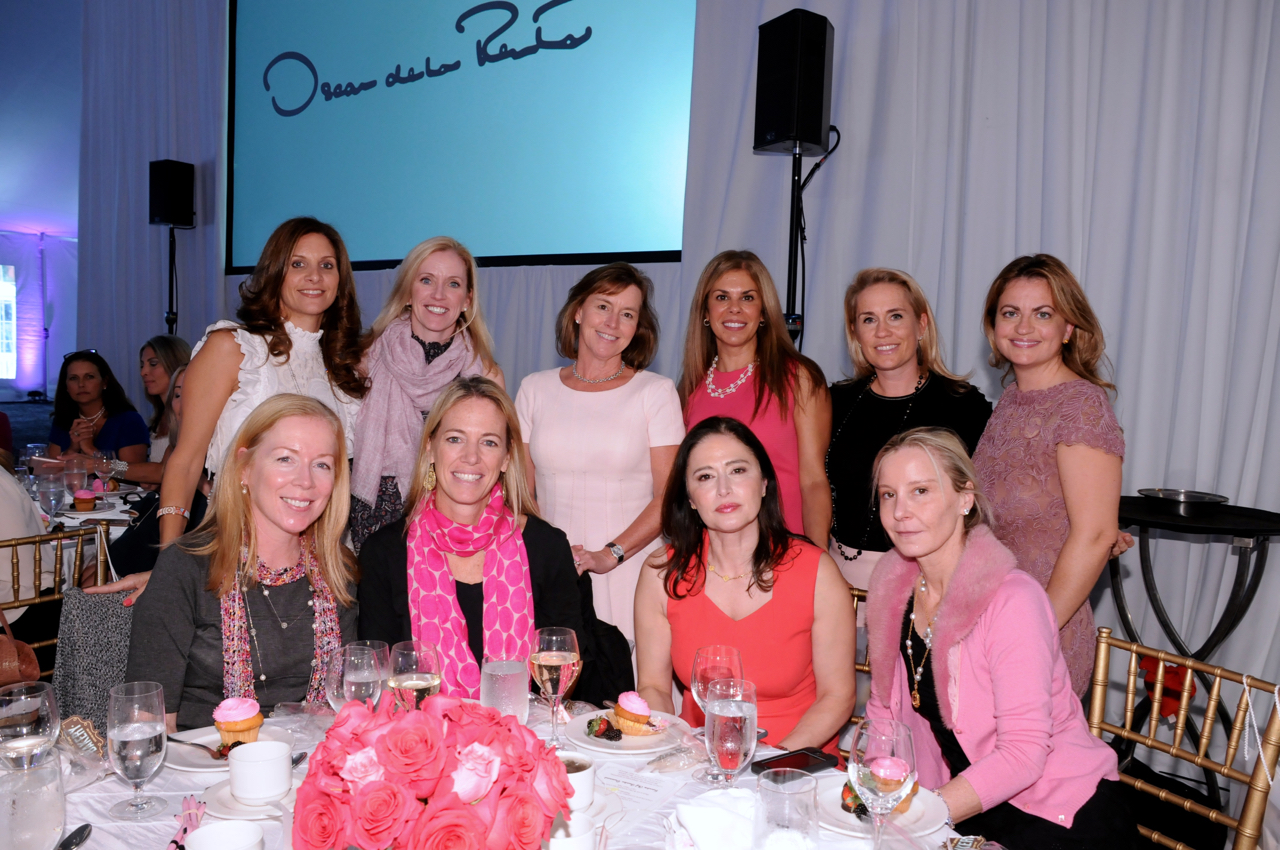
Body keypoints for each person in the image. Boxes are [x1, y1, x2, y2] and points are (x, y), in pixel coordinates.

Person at [865, 427, 1136, 849]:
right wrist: (874, 802)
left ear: (965, 499)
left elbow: (1024, 754)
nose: (900, 511)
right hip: (964, 807)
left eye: (921, 491)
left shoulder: (1012, 599)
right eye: (888, 495)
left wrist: (923, 812)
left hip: (1059, 813)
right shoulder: (893, 588)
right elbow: (884, 716)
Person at [101, 219, 368, 605]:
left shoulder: (347, 366)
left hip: (325, 560)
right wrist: (170, 566)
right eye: (298, 264)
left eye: (327, 265)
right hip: (237, 552)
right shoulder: (232, 348)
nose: (315, 276)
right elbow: (185, 461)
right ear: (275, 271)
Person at [126, 394, 358, 730]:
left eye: (322, 464)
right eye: (285, 459)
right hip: (204, 756)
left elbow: (348, 707)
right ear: (245, 468)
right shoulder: (186, 567)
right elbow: (148, 721)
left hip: (313, 752)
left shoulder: (339, 571)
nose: (306, 481)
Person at [634, 416, 856, 751]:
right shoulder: (662, 573)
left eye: (737, 470)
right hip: (698, 758)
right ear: (690, 498)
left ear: (764, 482)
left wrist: (771, 764)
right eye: (705, 477)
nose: (723, 489)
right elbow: (653, 687)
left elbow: (838, 697)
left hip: (795, 760)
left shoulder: (818, 573)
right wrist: (668, 744)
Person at [358, 376, 584, 698]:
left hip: (524, 727)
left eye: (489, 442)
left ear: (507, 458)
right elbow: (379, 688)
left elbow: (563, 680)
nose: (471, 457)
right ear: (430, 448)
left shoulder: (546, 548)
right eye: (455, 439)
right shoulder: (383, 553)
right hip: (421, 728)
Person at [972, 254, 1125, 696]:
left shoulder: (1080, 405)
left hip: (1042, 633)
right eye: (1010, 313)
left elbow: (1095, 535)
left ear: (1068, 328)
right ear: (993, 325)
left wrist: (1033, 631)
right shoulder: (1011, 401)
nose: (1024, 327)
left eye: (1043, 314)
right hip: (989, 621)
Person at [515, 263, 684, 643]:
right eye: (603, 306)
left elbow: (669, 495)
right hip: (549, 571)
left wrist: (611, 554)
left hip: (630, 570)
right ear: (578, 311)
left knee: (628, 676)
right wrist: (551, 556)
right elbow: (521, 493)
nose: (612, 322)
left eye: (628, 314)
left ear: (637, 327)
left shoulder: (655, 392)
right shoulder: (533, 389)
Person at [826, 268, 991, 591]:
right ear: (855, 332)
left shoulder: (963, 406)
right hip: (840, 581)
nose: (882, 332)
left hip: (930, 583)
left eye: (896, 316)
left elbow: (989, 500)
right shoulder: (834, 403)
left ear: (921, 324)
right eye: (869, 319)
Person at [351, 236, 503, 553]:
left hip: (454, 523)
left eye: (453, 284)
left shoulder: (485, 376)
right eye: (426, 280)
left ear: (467, 299)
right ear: (408, 292)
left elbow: (496, 463)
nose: (438, 294)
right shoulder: (366, 360)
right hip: (374, 522)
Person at [680, 251, 831, 542]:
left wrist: (818, 558)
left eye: (747, 298)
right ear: (705, 312)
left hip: (786, 548)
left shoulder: (798, 377)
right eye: (722, 297)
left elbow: (813, 482)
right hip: (715, 553)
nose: (734, 309)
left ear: (763, 312)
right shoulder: (688, 389)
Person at [47, 350, 149, 463]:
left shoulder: (129, 420)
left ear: (104, 382)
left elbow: (133, 470)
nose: (81, 384)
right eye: (73, 378)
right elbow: (49, 469)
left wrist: (90, 449)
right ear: (66, 386)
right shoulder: (62, 420)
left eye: (89, 377)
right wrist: (72, 449)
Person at [138, 334, 192, 462]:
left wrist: (108, 465)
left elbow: (162, 469)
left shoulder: (188, 415)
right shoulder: (158, 418)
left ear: (174, 364)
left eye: (153, 364)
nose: (143, 372)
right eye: (142, 365)